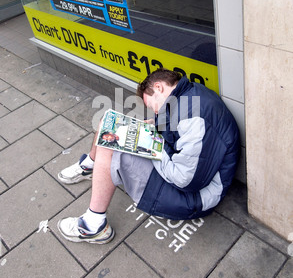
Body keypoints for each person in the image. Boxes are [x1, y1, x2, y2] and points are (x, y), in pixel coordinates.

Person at [57, 69, 240, 244]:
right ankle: (91, 165)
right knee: (108, 121)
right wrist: (153, 128)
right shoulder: (189, 94)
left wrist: (152, 145)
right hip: (186, 174)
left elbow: (185, 180)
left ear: (159, 87)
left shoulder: (194, 119)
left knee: (110, 146)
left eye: (151, 106)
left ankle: (94, 225)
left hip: (195, 197)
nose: (155, 112)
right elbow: (178, 130)